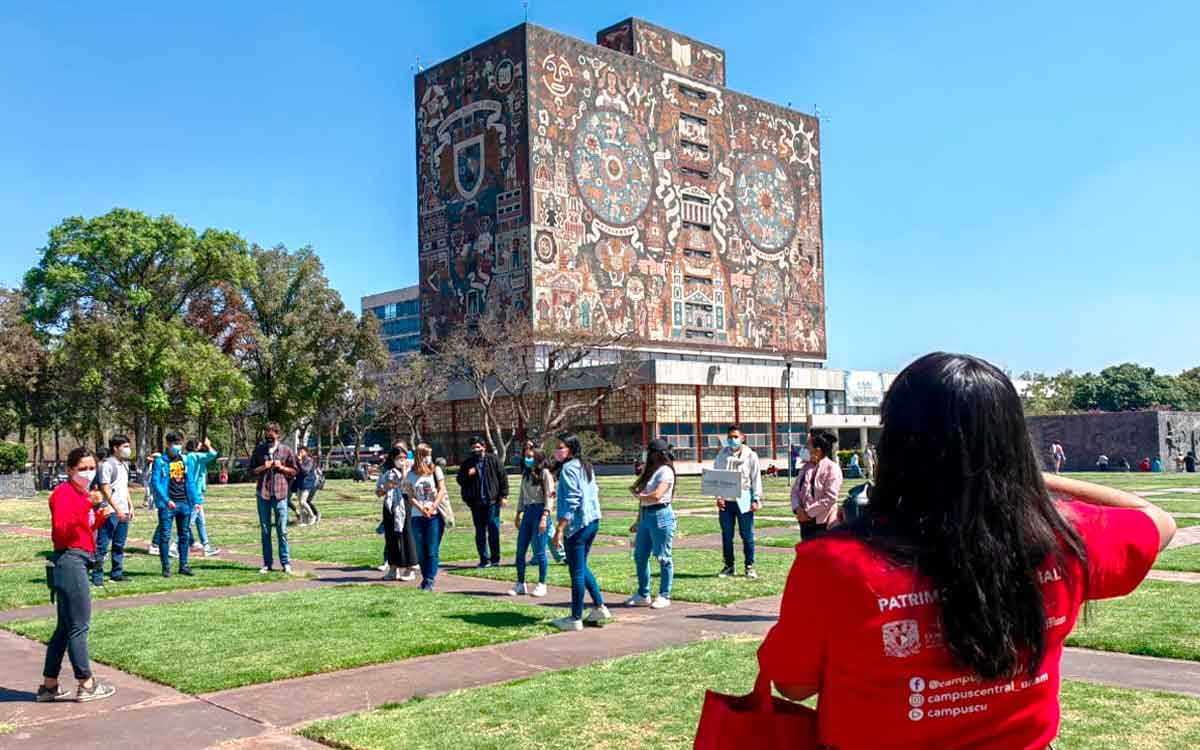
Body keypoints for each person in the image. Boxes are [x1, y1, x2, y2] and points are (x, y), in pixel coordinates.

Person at [755, 352, 1176, 749]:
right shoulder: (1062, 539)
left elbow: (794, 685)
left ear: (898, 445)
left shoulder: (833, 564)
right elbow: (1157, 519)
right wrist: (1026, 478)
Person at [38, 446, 117, 702]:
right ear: (70, 470)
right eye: (82, 468)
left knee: (64, 628)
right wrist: (87, 509)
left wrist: (97, 517)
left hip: (75, 559)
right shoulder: (64, 493)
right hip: (70, 560)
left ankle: (49, 686)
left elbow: (81, 528)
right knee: (79, 626)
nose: (88, 473)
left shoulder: (80, 494)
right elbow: (62, 529)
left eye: (91, 467)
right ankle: (87, 683)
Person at [551, 432, 610, 631]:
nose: (556, 451)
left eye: (560, 447)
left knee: (575, 571)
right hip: (592, 521)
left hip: (577, 525)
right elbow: (593, 491)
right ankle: (599, 606)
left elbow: (573, 499)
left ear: (571, 449)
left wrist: (560, 528)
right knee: (581, 566)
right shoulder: (585, 465)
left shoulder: (568, 468)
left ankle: (575, 617)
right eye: (556, 447)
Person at [626, 438, 677, 609]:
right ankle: (643, 593)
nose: (648, 456)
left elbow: (657, 495)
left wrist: (639, 496)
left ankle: (664, 594)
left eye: (650, 452)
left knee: (663, 556)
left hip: (660, 514)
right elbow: (643, 499)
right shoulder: (651, 471)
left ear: (659, 454)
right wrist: (638, 520)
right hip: (646, 515)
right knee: (640, 556)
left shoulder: (666, 471)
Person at [151, 431, 205, 577]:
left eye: (180, 443)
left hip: (184, 503)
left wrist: (196, 501)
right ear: (168, 444)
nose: (177, 446)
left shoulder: (186, 460)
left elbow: (191, 482)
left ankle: (184, 565)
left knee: (185, 535)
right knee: (165, 535)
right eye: (175, 443)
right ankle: (166, 568)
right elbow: (155, 483)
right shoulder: (160, 461)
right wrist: (166, 500)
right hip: (168, 505)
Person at [713, 426, 763, 579]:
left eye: (735, 437)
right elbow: (717, 476)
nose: (732, 440)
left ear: (742, 438)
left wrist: (756, 498)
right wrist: (718, 497)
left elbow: (756, 478)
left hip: (744, 498)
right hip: (726, 501)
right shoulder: (722, 454)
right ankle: (729, 565)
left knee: (746, 534)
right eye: (729, 437)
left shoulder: (751, 455)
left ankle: (749, 566)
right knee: (726, 535)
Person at [250, 422, 299, 574]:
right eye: (267, 433)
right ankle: (267, 563)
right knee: (265, 530)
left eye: (272, 434)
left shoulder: (286, 451)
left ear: (278, 434)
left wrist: (281, 467)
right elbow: (250, 471)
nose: (268, 436)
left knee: (282, 530)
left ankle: (285, 563)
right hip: (263, 494)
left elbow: (295, 470)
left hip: (280, 494)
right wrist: (264, 467)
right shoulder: (259, 451)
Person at [510, 441, 555, 597]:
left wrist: (545, 517)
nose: (527, 459)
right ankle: (520, 583)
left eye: (530, 456)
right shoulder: (526, 474)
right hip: (528, 512)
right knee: (520, 550)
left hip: (540, 511)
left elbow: (550, 497)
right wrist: (518, 514)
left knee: (540, 551)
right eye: (526, 456)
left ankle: (542, 584)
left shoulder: (545, 474)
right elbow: (522, 496)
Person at [457, 436, 509, 568]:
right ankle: (484, 559)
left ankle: (495, 559)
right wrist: (468, 474)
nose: (476, 449)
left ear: (484, 447)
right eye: (473, 447)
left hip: (492, 501)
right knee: (480, 531)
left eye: (478, 447)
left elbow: (502, 477)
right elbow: (460, 480)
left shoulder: (493, 460)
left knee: (493, 529)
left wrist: (504, 496)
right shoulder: (468, 463)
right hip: (476, 503)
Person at [406, 443, 452, 591]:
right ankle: (425, 578)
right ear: (420, 456)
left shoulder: (435, 470)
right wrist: (421, 508)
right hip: (417, 516)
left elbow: (442, 490)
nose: (429, 458)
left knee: (432, 550)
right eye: (426, 455)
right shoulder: (411, 474)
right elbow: (410, 496)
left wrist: (431, 508)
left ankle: (429, 580)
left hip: (434, 516)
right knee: (420, 550)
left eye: (430, 454)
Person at [92, 435, 133, 586]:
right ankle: (97, 576)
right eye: (125, 446)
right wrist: (116, 509)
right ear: (115, 448)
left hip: (123, 511)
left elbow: (124, 487)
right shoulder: (107, 465)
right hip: (110, 511)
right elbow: (105, 489)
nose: (128, 450)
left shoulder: (124, 465)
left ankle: (117, 573)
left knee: (119, 544)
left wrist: (130, 506)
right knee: (102, 545)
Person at [790, 430, 843, 541]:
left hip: (822, 523)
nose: (805, 449)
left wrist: (808, 513)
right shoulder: (805, 467)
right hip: (804, 522)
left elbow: (830, 498)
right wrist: (797, 509)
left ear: (817, 451)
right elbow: (795, 490)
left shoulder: (832, 469)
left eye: (808, 445)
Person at [376, 446, 419, 581]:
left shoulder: (412, 472)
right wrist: (385, 488)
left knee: (407, 535)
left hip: (406, 504)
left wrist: (405, 470)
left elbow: (407, 487)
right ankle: (393, 568)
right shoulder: (387, 473)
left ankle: (410, 567)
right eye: (399, 458)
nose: (402, 460)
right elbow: (378, 492)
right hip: (390, 506)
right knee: (391, 537)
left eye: (404, 458)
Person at [184, 437, 220, 556]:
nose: (202, 448)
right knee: (190, 521)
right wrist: (209, 445)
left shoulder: (186, 457)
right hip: (195, 494)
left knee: (200, 521)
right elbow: (213, 454)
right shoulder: (196, 457)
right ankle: (175, 545)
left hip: (192, 492)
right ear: (195, 448)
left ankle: (206, 547)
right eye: (200, 446)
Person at [145, 451, 175, 559]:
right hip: (163, 499)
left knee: (165, 522)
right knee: (164, 522)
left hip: (169, 497)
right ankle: (156, 545)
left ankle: (157, 544)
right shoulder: (157, 466)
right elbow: (154, 483)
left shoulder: (167, 464)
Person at [295, 446, 320, 525]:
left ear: (306, 452)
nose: (299, 453)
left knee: (303, 502)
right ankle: (304, 521)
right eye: (299, 451)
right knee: (300, 504)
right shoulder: (298, 460)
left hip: (307, 484)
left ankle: (312, 516)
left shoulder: (309, 460)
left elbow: (305, 471)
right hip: (299, 483)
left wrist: (299, 462)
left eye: (301, 452)